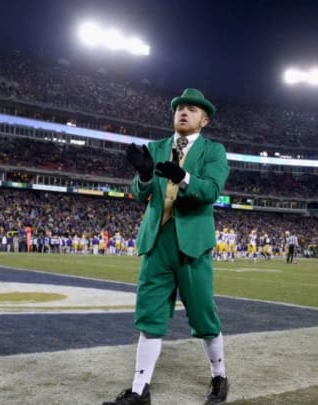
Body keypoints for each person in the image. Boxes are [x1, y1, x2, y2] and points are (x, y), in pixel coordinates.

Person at [104, 88, 230, 405]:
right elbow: (138, 192)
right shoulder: (156, 147)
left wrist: (184, 176)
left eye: (191, 109)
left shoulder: (214, 151)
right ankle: (139, 389)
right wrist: (145, 174)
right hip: (157, 240)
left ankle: (219, 376)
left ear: (204, 120)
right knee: (150, 317)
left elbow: (211, 191)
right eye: (180, 108)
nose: (183, 112)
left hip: (192, 244)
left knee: (203, 315)